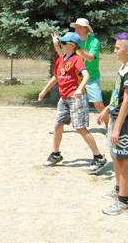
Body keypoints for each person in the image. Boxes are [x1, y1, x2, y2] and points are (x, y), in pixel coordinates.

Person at [38, 32, 107, 175]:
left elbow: (86, 76)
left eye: (63, 43)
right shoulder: (61, 59)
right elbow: (56, 77)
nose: (61, 45)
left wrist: (80, 89)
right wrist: (44, 90)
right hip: (64, 98)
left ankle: (98, 157)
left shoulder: (77, 59)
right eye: (61, 43)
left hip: (76, 98)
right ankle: (56, 154)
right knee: (58, 125)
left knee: (80, 128)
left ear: (72, 46)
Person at [97, 32, 128, 215]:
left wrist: (117, 128)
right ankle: (118, 189)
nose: (114, 51)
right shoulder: (124, 67)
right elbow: (118, 96)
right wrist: (106, 110)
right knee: (116, 156)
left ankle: (124, 202)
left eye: (117, 48)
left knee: (122, 159)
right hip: (116, 117)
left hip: (126, 121)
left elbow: (127, 101)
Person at [52, 18, 107, 127]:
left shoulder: (93, 41)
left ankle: (109, 126)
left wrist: (77, 47)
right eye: (76, 27)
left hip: (90, 77)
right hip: (75, 79)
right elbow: (64, 57)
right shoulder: (73, 39)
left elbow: (90, 58)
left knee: (98, 104)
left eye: (80, 27)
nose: (77, 29)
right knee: (66, 102)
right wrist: (56, 45)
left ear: (86, 29)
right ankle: (59, 128)